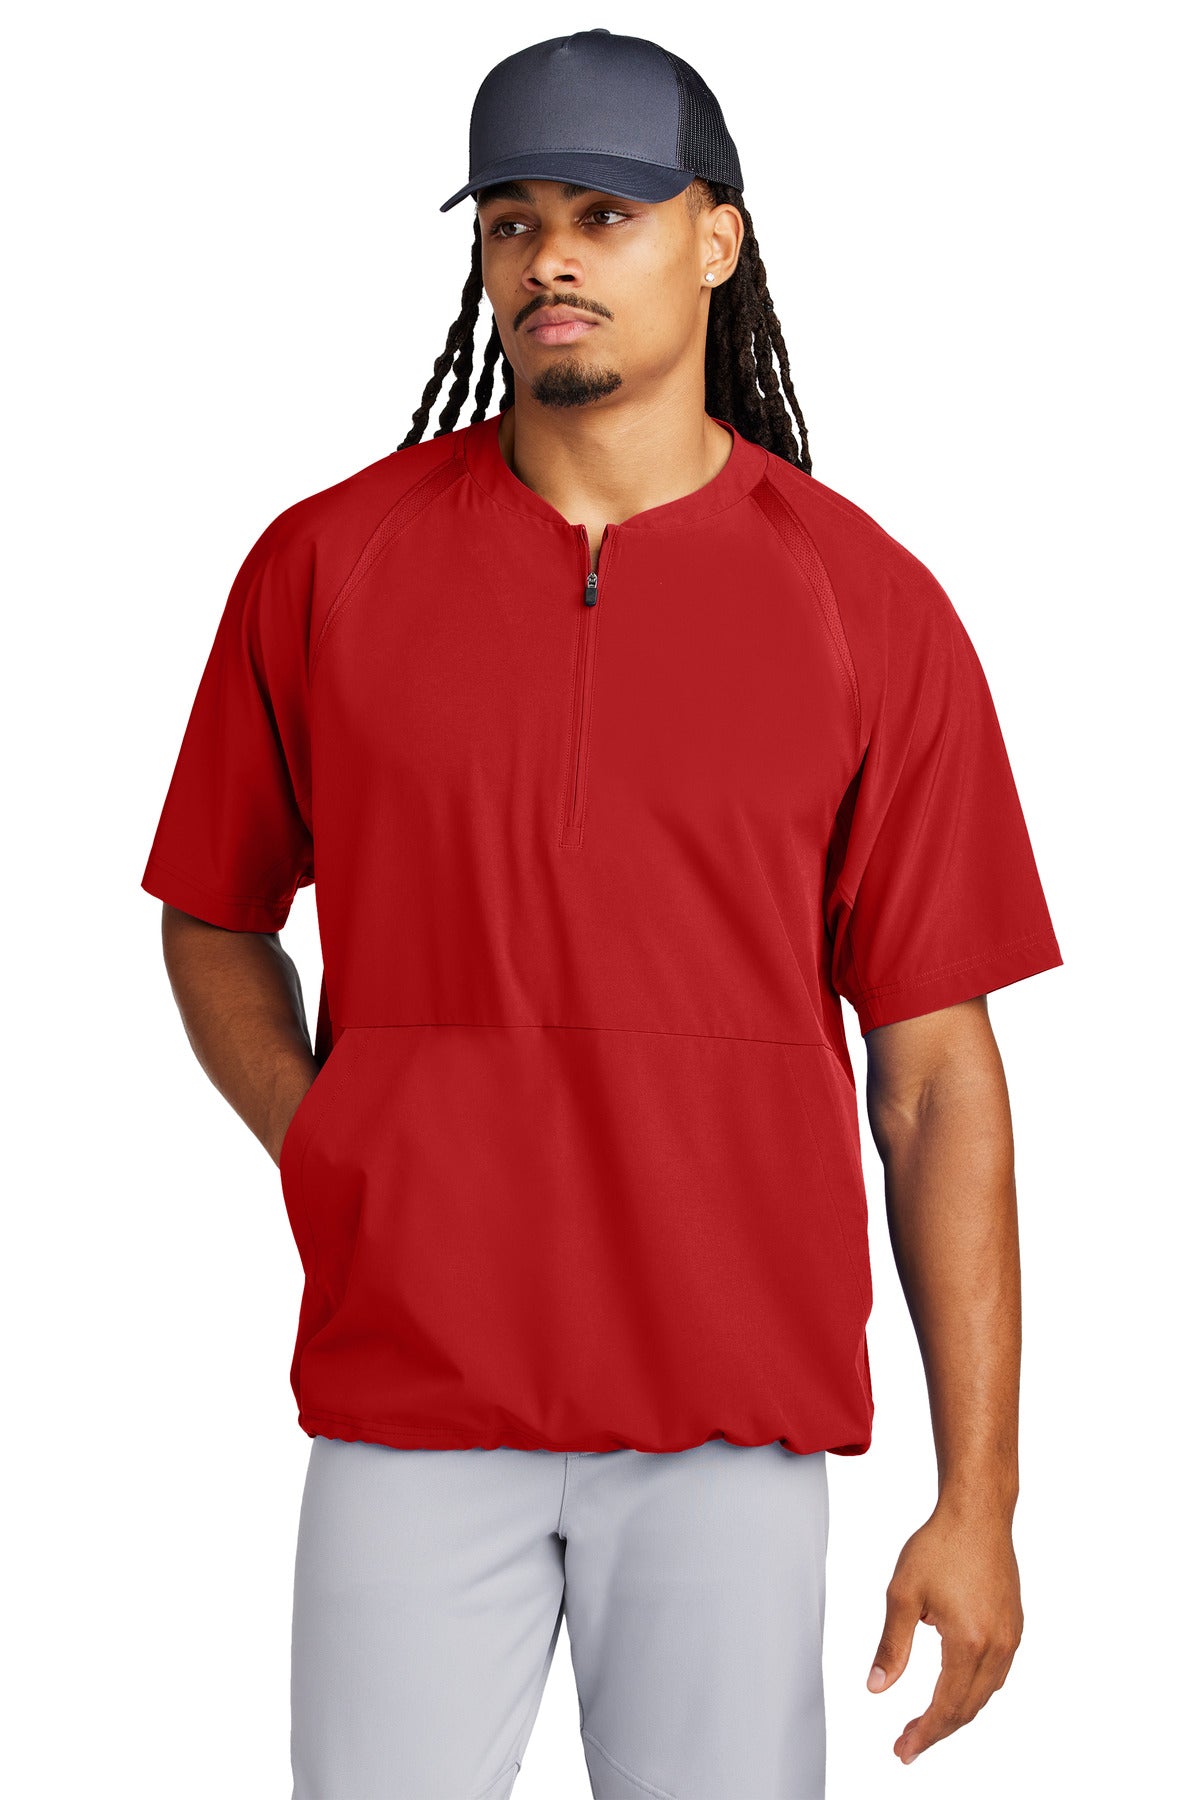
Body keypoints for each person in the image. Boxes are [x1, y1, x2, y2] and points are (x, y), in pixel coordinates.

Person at [141, 28, 1063, 1800]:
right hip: (412, 1393)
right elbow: (212, 911)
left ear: (717, 238)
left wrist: (981, 1498)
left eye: (606, 214)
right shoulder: (325, 566)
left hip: (732, 1414)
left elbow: (938, 1073)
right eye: (514, 221)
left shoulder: (867, 606)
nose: (550, 259)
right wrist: (327, 1138)